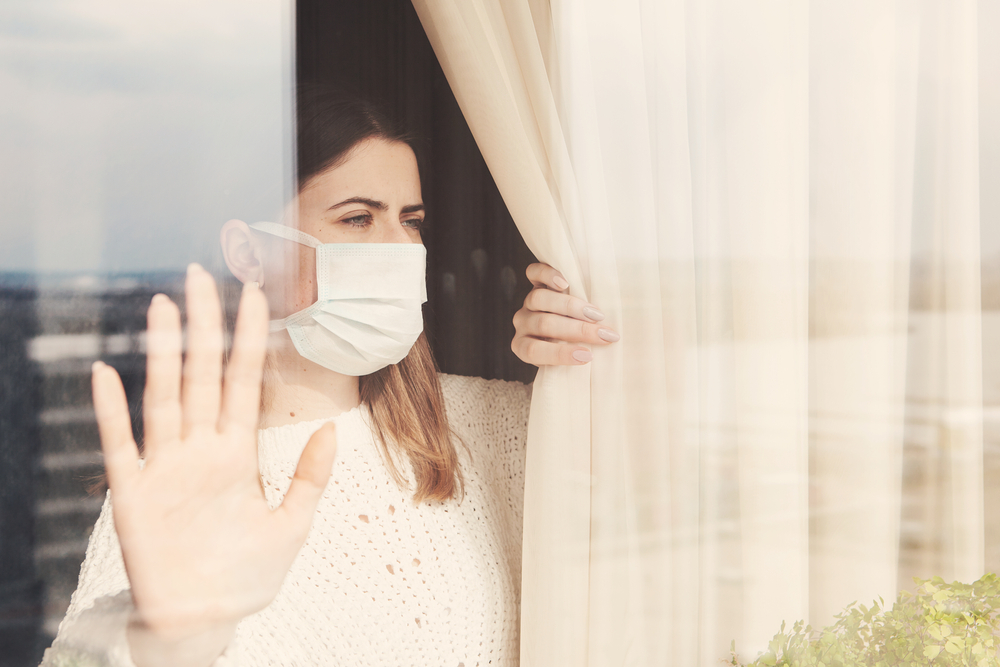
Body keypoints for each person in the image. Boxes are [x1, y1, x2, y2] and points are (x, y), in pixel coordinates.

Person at [41, 88, 619, 667]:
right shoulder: (183, 480)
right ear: (247, 253)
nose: (399, 248)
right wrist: (167, 645)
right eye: (358, 218)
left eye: (410, 221)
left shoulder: (494, 424)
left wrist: (596, 351)